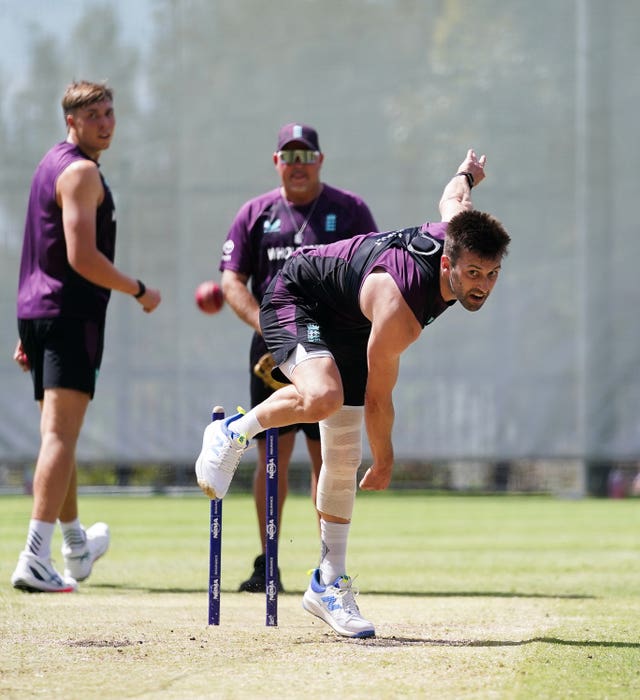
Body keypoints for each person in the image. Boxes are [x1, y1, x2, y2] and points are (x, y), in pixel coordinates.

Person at [196, 148, 510, 637]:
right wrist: (384, 459)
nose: (482, 287)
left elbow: (454, 194)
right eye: (472, 274)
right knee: (324, 398)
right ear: (448, 261)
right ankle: (232, 431)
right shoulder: (400, 309)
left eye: (491, 275)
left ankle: (326, 582)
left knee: (340, 451)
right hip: (298, 295)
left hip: (347, 317)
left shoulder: (460, 228)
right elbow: (381, 400)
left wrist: (467, 172)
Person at [11, 80, 161, 593]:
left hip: (38, 313)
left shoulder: (49, 163)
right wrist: (138, 288)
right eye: (93, 114)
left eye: (109, 112)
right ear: (70, 122)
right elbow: (82, 258)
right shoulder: (80, 172)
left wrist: (27, 328)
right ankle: (33, 556)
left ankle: (74, 544)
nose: (105, 122)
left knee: (59, 436)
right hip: (69, 316)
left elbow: (40, 250)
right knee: (59, 437)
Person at [218, 123, 377, 592]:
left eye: (306, 156)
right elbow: (231, 282)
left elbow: (373, 271)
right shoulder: (256, 213)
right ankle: (268, 560)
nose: (298, 165)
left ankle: (326, 564)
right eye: (289, 156)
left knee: (328, 453)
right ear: (276, 162)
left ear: (320, 160)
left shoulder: (348, 210)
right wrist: (271, 332)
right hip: (272, 345)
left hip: (334, 346)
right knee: (271, 452)